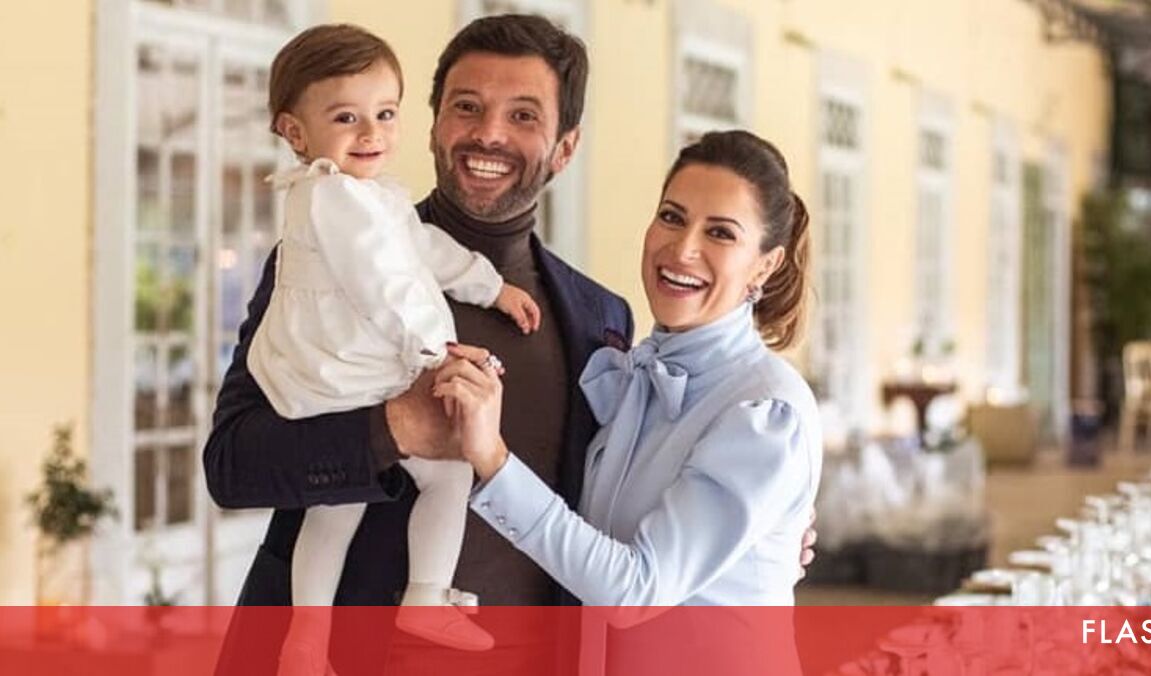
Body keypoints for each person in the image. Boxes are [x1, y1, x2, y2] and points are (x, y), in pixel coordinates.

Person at [204, 14, 815, 675]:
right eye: (467, 107)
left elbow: (635, 508)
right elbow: (232, 466)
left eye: (524, 115)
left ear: (565, 147)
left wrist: (764, 532)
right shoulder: (326, 263)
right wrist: (392, 428)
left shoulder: (599, 320)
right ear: (434, 124)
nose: (489, 133)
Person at [427, 130, 821, 674]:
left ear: (765, 265)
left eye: (721, 233)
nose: (682, 248)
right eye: (672, 217)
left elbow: (636, 590)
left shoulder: (765, 412)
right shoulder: (634, 374)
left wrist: (492, 458)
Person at [247, 24, 544, 668]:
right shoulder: (331, 197)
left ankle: (307, 641)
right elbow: (385, 283)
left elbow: (422, 249)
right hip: (347, 376)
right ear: (295, 132)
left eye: (384, 114)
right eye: (346, 118)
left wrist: (490, 287)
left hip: (342, 375)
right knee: (445, 475)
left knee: (335, 513)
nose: (370, 133)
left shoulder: (370, 196)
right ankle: (423, 596)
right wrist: (437, 352)